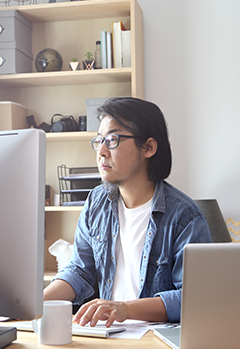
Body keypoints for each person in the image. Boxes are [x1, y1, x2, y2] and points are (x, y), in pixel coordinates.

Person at [43, 97, 211, 327]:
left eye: (112, 140)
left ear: (149, 147)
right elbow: (79, 271)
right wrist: (35, 303)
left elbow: (194, 299)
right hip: (106, 334)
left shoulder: (185, 217)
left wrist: (125, 309)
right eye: (99, 140)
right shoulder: (96, 202)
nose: (101, 151)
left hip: (154, 338)